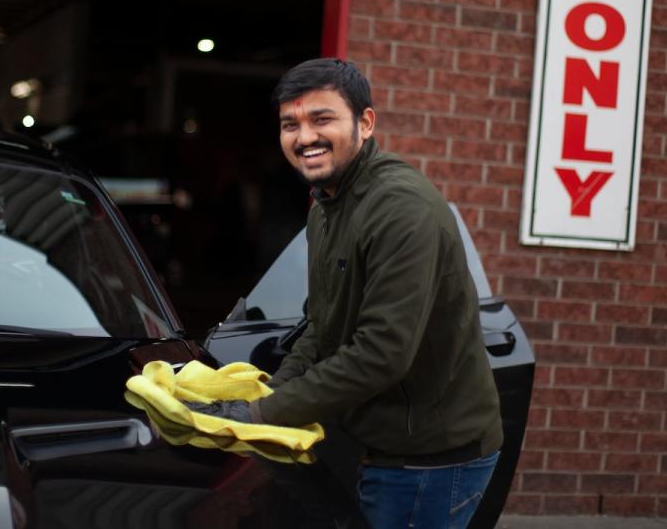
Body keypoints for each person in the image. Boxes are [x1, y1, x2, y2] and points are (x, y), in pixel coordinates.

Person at [189, 58, 503, 529]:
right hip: (373, 445)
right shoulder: (326, 205)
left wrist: (260, 412)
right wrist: (275, 388)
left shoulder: (401, 209)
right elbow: (322, 321)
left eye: (322, 119)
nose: (304, 137)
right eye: (289, 124)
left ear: (365, 122)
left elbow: (381, 354)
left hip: (429, 462)